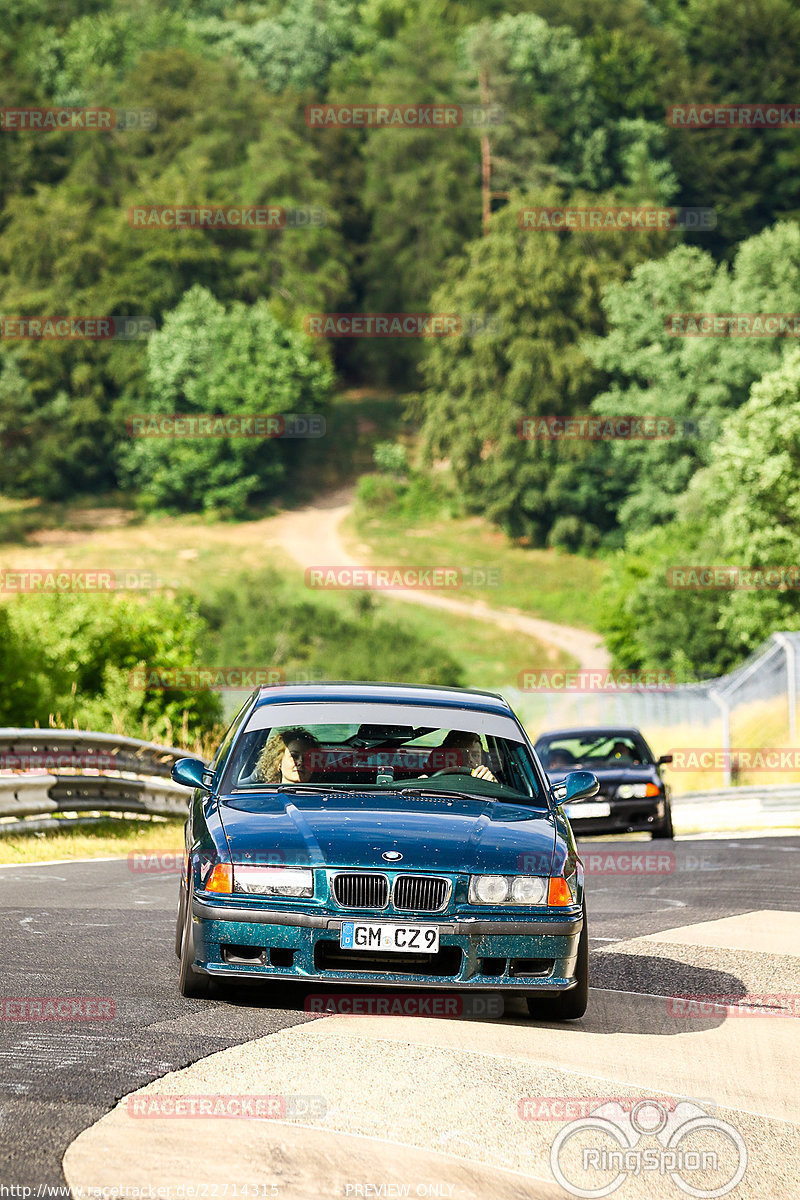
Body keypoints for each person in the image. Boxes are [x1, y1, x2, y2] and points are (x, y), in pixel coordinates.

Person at [423, 730, 498, 782]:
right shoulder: (432, 781)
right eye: (462, 754)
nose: (470, 760)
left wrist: (493, 786)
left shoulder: (487, 780)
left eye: (475, 755)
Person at [252, 728, 320, 784]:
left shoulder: (323, 795)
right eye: (294, 756)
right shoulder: (265, 794)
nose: (300, 762)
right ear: (278, 762)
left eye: (308, 758)